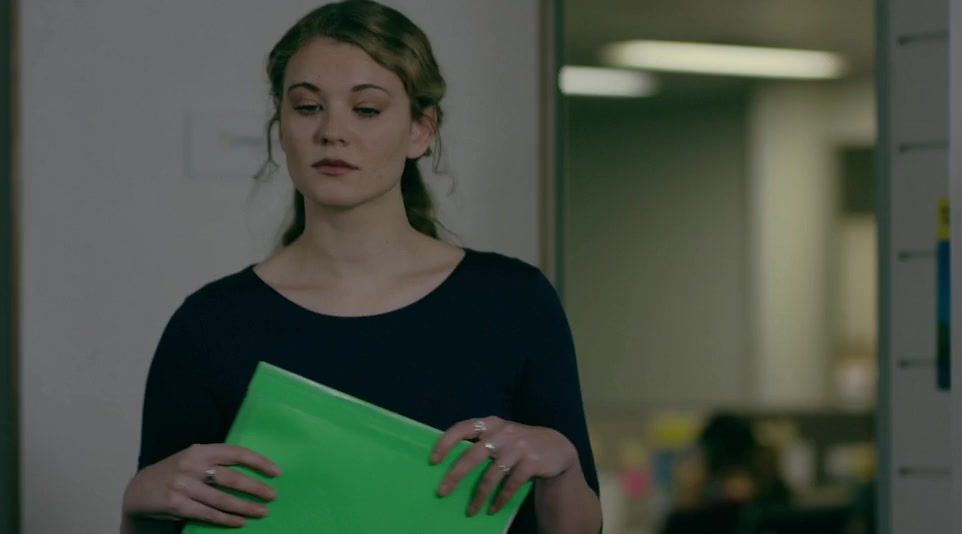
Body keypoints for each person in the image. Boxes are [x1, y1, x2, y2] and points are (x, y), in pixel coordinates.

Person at [117, 1, 601, 533]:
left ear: (421, 130)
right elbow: (165, 518)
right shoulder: (210, 325)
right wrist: (137, 502)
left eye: (366, 109)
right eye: (307, 107)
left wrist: (562, 465)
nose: (332, 131)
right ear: (281, 126)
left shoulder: (514, 302)